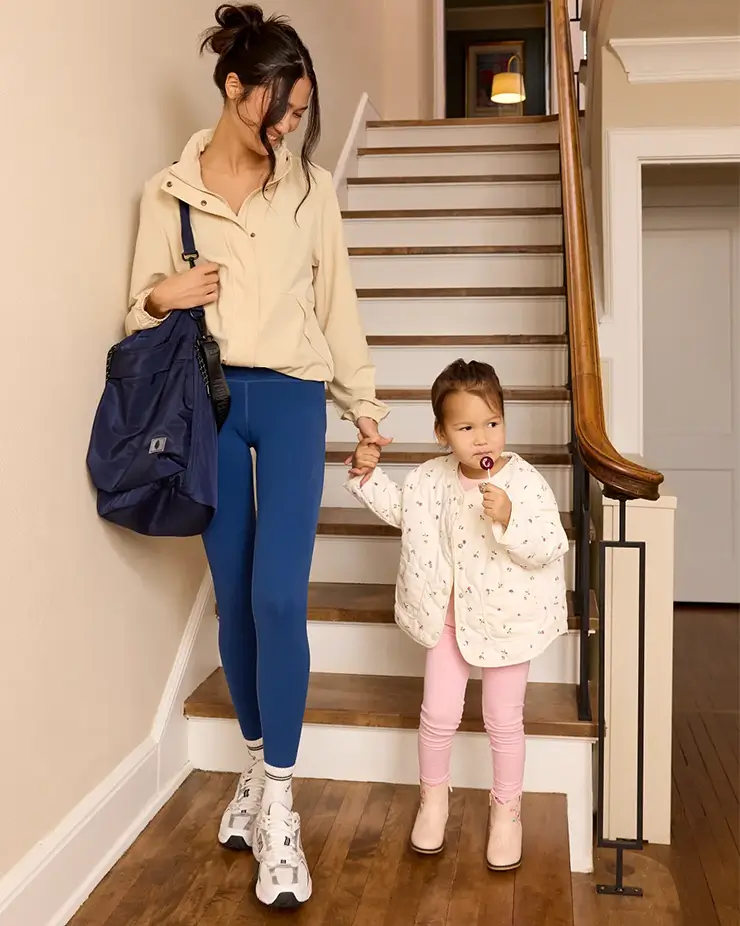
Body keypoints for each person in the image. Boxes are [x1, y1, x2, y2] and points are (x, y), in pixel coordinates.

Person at [125, 3, 389, 909]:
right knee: (234, 604)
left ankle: (280, 802)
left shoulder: (311, 191)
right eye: (277, 106)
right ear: (235, 89)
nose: (289, 126)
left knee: (279, 595)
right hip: (207, 404)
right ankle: (251, 771)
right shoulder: (170, 192)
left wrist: (367, 408)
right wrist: (165, 293)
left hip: (291, 402)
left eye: (302, 110)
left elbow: (339, 303)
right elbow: (135, 313)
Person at [346, 359, 568, 871]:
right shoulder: (430, 478)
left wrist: (509, 517)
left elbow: (550, 544)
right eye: (466, 428)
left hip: (509, 621)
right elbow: (403, 511)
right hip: (447, 617)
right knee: (439, 715)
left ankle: (507, 810)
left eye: (492, 424)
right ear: (442, 433)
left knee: (502, 719)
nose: (482, 438)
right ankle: (434, 800)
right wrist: (366, 472)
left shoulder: (526, 483)